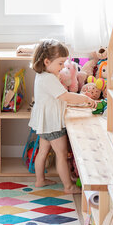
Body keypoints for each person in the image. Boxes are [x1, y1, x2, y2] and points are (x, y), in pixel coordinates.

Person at [29, 39, 96, 194]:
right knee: (61, 154)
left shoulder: (41, 75)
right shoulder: (49, 79)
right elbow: (65, 96)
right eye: (60, 63)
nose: (63, 67)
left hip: (43, 123)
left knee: (43, 151)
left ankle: (40, 180)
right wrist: (85, 99)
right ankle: (68, 186)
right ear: (47, 61)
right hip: (52, 123)